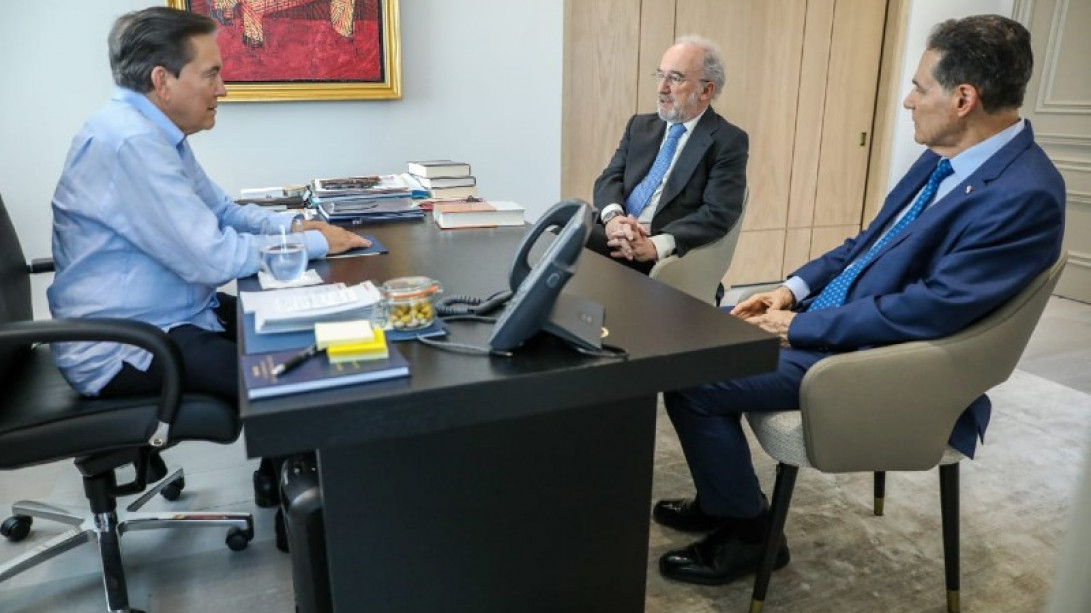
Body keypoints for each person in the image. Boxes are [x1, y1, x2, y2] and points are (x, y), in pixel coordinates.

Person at [655, 14, 1065, 586]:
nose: (907, 101)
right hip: (840, 322)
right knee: (695, 338)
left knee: (695, 376)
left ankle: (750, 533)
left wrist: (795, 328)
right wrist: (789, 291)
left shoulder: (1025, 194)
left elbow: (931, 310)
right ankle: (723, 498)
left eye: (920, 87)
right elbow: (863, 246)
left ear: (964, 98)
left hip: (881, 359)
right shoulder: (946, 156)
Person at [47, 7, 368, 505]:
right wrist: (315, 244)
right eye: (212, 73)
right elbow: (213, 259)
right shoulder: (130, 142)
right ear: (163, 80)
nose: (223, 88)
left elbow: (221, 209)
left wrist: (293, 225)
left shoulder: (148, 130)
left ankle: (279, 477)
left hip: (170, 315)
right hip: (126, 344)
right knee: (309, 372)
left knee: (317, 335)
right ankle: (305, 514)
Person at [590, 35, 748, 283]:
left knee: (568, 238)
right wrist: (613, 219)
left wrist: (656, 245)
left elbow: (718, 213)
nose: (662, 88)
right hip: (615, 233)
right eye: (660, 75)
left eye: (675, 78)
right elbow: (610, 177)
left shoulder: (728, 141)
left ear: (706, 90)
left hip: (660, 258)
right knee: (563, 223)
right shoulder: (640, 126)